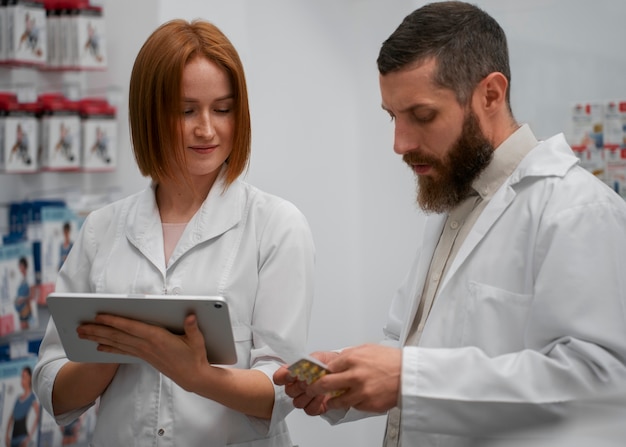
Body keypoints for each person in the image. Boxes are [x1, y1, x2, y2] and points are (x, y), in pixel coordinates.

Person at [273, 2, 626, 446]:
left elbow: (603, 384)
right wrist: (348, 377)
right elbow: (413, 349)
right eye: (392, 117)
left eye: (422, 116)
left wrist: (408, 377)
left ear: (491, 95)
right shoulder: (454, 208)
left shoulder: (576, 210)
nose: (400, 144)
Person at [33, 19, 315, 447]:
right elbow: (51, 385)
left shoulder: (276, 226)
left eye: (222, 109)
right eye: (186, 111)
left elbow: (282, 388)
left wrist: (195, 375)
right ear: (149, 114)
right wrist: (115, 350)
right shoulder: (102, 230)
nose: (206, 128)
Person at [5, 366, 40, 447]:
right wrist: (7, 436)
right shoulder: (18, 398)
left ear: (30, 378)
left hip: (22, 438)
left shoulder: (32, 397)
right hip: (13, 439)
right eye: (21, 377)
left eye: (24, 376)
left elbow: (38, 415)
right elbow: (11, 418)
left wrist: (29, 437)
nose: (22, 379)